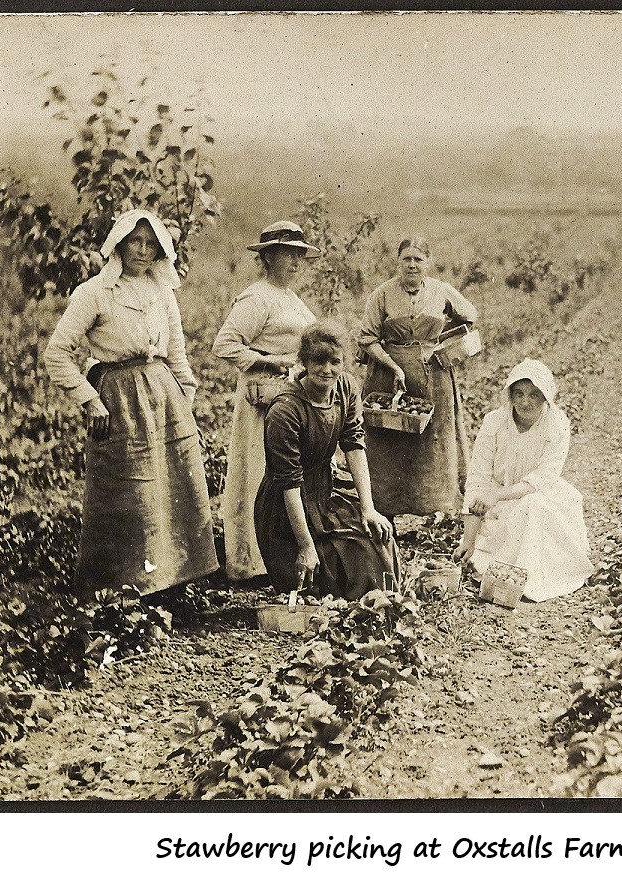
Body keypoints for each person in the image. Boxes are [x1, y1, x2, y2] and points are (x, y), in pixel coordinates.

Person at [44, 208, 218, 595]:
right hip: (118, 399)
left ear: (161, 251)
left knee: (171, 487)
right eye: (135, 242)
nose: (142, 250)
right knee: (129, 491)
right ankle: (122, 588)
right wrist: (90, 400)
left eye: (151, 244)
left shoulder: (162, 291)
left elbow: (177, 353)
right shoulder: (94, 293)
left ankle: (171, 582)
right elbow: (56, 353)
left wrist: (185, 402)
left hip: (164, 396)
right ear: (119, 244)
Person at [255, 320, 399, 599]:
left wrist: (368, 508)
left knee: (376, 549)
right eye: (318, 361)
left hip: (325, 492)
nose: (327, 370)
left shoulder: (346, 387)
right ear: (304, 363)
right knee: (324, 582)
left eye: (335, 362)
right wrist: (305, 545)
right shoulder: (285, 411)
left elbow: (354, 446)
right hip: (286, 510)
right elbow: (289, 483)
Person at [212, 221, 320, 582]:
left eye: (299, 256)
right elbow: (225, 344)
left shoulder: (291, 299)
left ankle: (286, 554)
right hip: (262, 398)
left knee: (288, 473)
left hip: (290, 397)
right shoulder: (256, 298)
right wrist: (272, 361)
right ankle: (252, 561)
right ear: (269, 256)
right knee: (258, 473)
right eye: (289, 255)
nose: (295, 262)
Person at [357, 236, 478, 516]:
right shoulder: (382, 294)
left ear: (427, 263)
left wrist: (446, 338)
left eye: (418, 259)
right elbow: (367, 339)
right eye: (406, 259)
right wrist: (393, 366)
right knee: (389, 440)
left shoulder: (441, 291)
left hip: (433, 376)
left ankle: (437, 507)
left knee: (433, 438)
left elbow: (469, 316)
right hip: (389, 376)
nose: (412, 265)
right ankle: (383, 508)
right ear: (398, 262)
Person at [455, 359, 594, 602]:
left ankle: (531, 579)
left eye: (534, 394)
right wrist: (469, 539)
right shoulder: (494, 423)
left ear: (546, 397)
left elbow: (542, 480)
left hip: (542, 497)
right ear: (509, 394)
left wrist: (496, 495)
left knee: (533, 507)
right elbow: (478, 479)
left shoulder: (557, 425)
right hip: (498, 502)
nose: (524, 401)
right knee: (481, 553)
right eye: (518, 393)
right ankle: (503, 572)